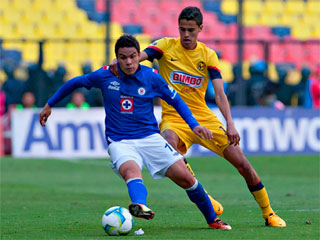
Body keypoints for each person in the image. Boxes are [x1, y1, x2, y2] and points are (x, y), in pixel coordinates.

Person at [110, 7, 286, 228]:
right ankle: (206, 197)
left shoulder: (208, 55)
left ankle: (268, 213)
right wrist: (124, 62)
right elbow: (139, 58)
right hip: (174, 119)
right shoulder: (165, 46)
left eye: (191, 30)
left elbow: (220, 93)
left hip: (204, 118)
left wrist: (230, 124)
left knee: (243, 164)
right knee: (168, 146)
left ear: (200, 28)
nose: (185, 34)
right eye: (182, 29)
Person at [39, 35, 231, 230]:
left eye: (132, 56)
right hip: (120, 141)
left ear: (139, 55)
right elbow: (75, 83)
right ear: (116, 58)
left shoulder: (151, 77)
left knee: (187, 178)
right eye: (123, 57)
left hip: (150, 138)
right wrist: (49, 104)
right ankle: (139, 205)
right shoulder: (105, 75)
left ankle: (212, 219)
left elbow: (176, 101)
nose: (129, 62)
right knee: (131, 170)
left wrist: (194, 125)